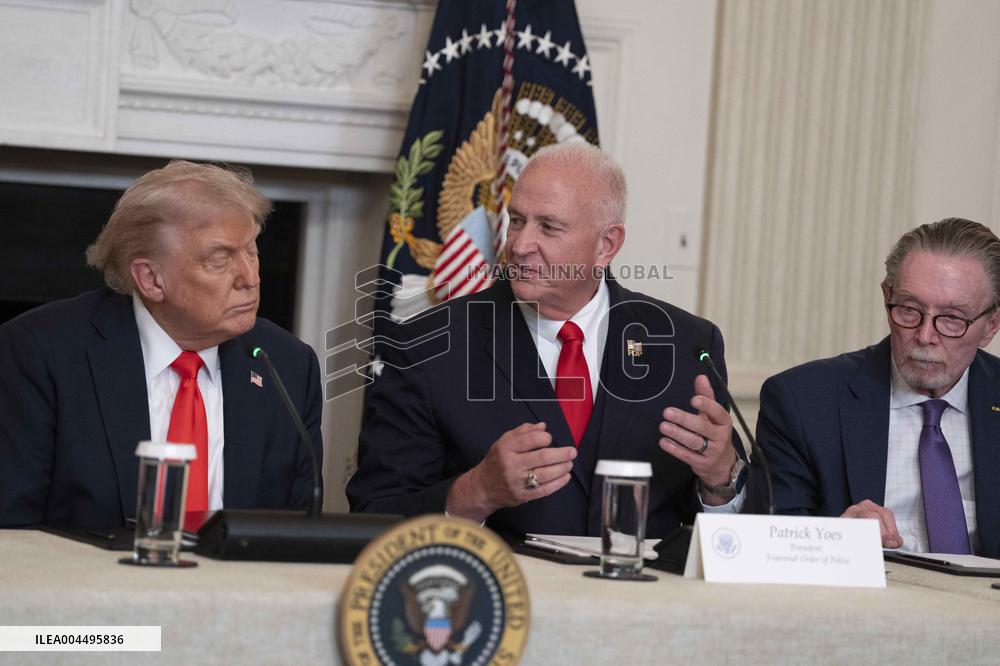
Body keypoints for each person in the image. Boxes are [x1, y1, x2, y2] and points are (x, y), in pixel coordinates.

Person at [347, 143, 747, 537]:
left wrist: (720, 479)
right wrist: (476, 492)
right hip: (502, 593)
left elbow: (736, 539)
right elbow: (374, 513)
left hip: (641, 597)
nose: (519, 246)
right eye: (517, 221)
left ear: (606, 245)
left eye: (549, 227)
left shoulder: (686, 344)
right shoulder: (425, 346)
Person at [0, 161, 323, 528]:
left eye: (251, 251)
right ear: (151, 279)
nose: (250, 278)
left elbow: (299, 534)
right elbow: (11, 533)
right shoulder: (41, 352)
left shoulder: (288, 365)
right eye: (220, 259)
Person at [752, 218, 1000, 556]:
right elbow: (770, 542)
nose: (925, 336)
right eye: (910, 310)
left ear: (991, 326)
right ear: (887, 297)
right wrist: (836, 539)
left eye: (953, 319)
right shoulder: (803, 401)